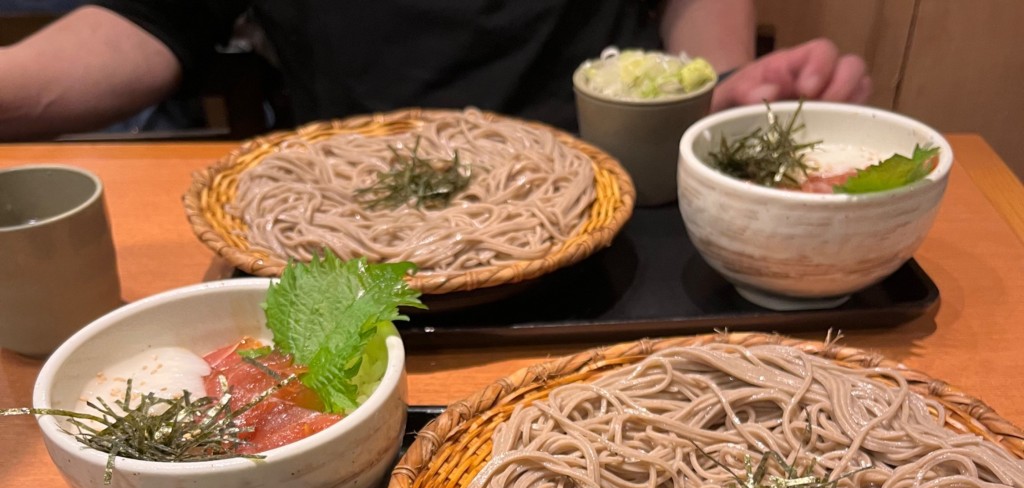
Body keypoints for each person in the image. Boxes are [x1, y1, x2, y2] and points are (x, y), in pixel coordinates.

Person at [0, 0, 870, 139]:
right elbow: (149, 24)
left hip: (615, 189)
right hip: (337, 219)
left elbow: (698, 21)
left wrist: (723, 87)